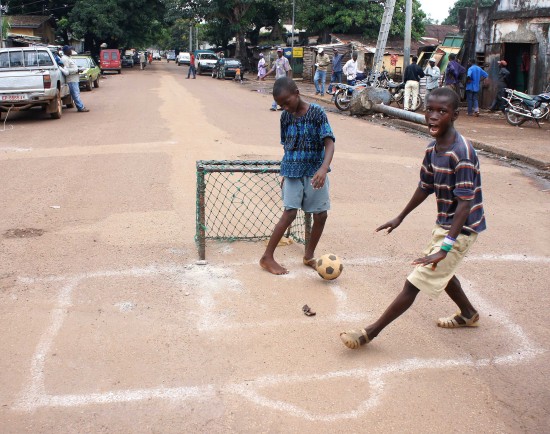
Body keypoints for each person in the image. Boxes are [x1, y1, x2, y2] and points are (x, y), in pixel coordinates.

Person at [340, 87, 486, 350]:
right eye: (429, 109)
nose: (433, 116)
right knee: (440, 270)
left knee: (415, 281)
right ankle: (468, 313)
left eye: (442, 112)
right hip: (446, 223)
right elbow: (425, 186)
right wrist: (400, 217)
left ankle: (369, 333)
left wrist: (446, 246)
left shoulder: (461, 153)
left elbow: (465, 204)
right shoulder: (433, 149)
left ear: (454, 115)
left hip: (461, 228)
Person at [259, 77, 335, 275]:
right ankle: (267, 257)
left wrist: (323, 168)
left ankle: (309, 255)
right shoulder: (285, 117)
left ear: (297, 93)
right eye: (280, 105)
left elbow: (329, 143)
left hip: (315, 171)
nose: (285, 107)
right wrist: (285, 172)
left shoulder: (317, 113)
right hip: (292, 171)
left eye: (287, 102)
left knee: (321, 214)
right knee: (290, 213)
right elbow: (287, 145)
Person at [59, 45, 89, 113]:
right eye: (69, 50)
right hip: (71, 79)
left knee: (76, 93)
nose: (71, 51)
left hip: (74, 78)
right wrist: (76, 70)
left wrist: (78, 69)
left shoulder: (68, 58)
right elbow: (66, 70)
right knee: (75, 94)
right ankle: (80, 107)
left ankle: (80, 106)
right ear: (66, 51)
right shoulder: (64, 59)